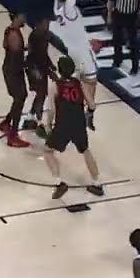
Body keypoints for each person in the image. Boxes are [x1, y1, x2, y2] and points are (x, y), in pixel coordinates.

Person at [49, 0, 100, 129]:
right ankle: (89, 111)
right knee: (91, 82)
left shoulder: (57, 9)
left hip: (71, 52)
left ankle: (57, 118)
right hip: (82, 52)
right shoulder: (70, 10)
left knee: (70, 84)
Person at [43, 56, 105, 200]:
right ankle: (97, 183)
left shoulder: (55, 86)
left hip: (63, 124)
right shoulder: (79, 83)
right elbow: (92, 105)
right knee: (85, 151)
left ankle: (59, 183)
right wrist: (87, 114)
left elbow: (51, 110)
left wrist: (48, 126)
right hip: (79, 123)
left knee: (47, 151)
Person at [0, 12, 32, 148]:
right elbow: (16, 57)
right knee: (20, 98)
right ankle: (13, 136)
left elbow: (6, 46)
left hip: (10, 69)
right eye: (22, 16)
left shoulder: (10, 30)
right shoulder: (14, 34)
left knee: (19, 98)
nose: (25, 18)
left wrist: (24, 49)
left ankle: (6, 122)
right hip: (13, 71)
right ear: (17, 17)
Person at [24, 17, 54, 132]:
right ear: (39, 23)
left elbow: (44, 53)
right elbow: (31, 53)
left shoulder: (46, 35)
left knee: (42, 93)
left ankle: (32, 115)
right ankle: (37, 117)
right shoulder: (35, 35)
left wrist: (50, 65)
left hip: (42, 66)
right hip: (34, 66)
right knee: (41, 92)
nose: (47, 25)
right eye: (46, 23)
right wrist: (34, 69)